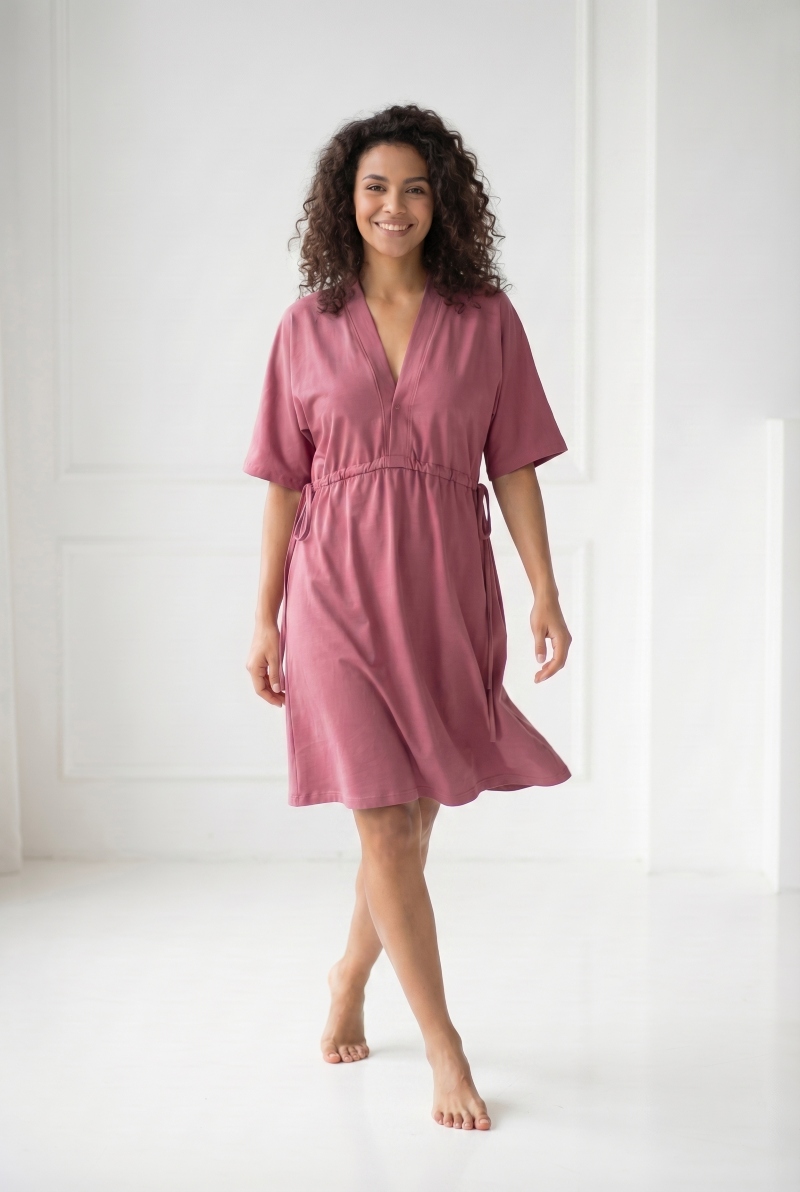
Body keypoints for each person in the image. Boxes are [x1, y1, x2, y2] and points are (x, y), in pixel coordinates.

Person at [244, 104, 572, 1132]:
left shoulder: (485, 320)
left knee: (412, 823)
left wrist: (544, 589)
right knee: (383, 822)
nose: (394, 206)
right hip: (333, 594)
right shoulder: (306, 325)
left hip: (443, 593)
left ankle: (348, 972)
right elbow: (283, 482)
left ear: (443, 203)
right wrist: (264, 617)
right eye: (375, 187)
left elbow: (513, 465)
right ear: (345, 201)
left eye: (415, 189)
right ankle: (444, 1045)